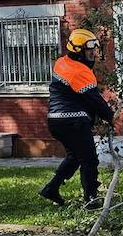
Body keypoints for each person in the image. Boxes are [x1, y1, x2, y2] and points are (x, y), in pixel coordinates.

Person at [39, 28, 113, 207]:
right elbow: (94, 100)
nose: (93, 54)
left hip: (55, 122)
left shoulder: (61, 63)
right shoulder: (80, 71)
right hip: (73, 121)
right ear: (78, 51)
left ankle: (51, 188)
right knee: (89, 159)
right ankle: (91, 199)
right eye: (89, 51)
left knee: (74, 156)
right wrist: (110, 117)